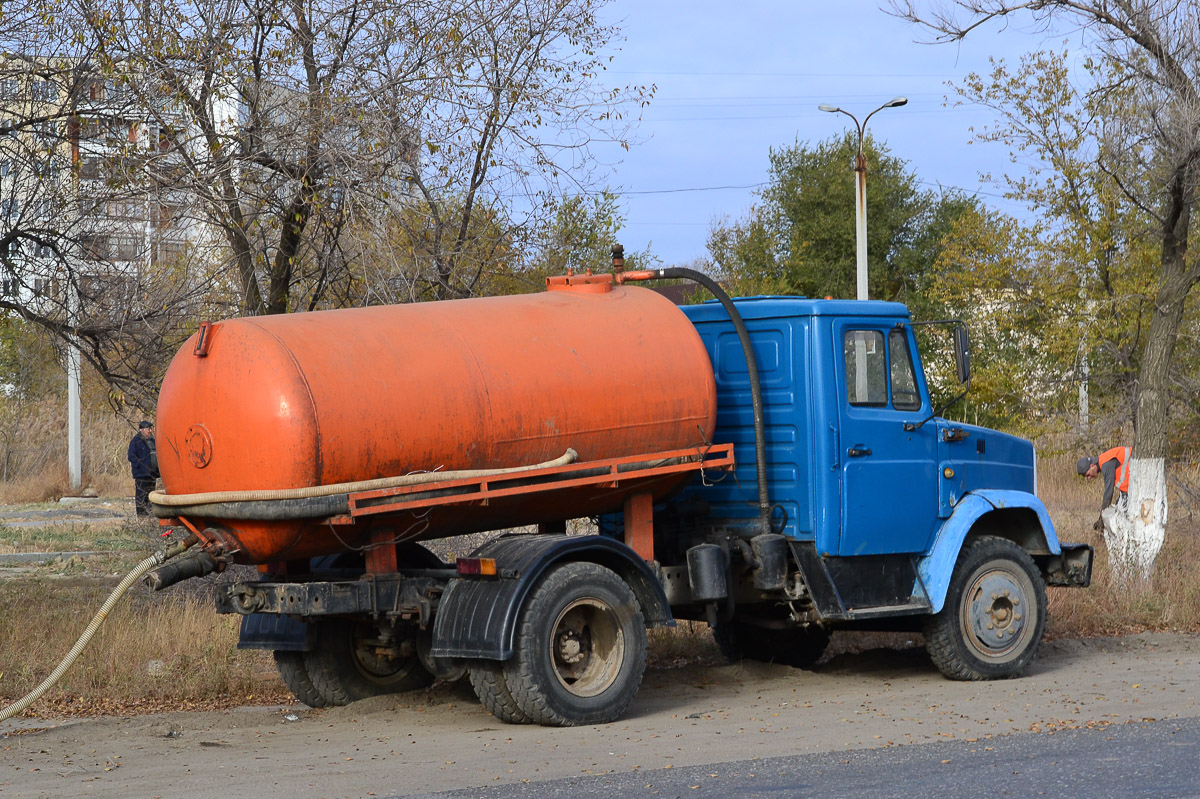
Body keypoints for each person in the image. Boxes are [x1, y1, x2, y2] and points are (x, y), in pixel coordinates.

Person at [1076, 446, 1130, 529]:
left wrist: (1101, 519)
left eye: (1088, 474)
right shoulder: (1104, 460)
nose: (1089, 477)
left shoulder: (1106, 464)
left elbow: (1108, 494)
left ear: (1092, 466)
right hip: (1129, 489)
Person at [128, 420, 159, 517]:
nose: (150, 431)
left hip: (152, 474)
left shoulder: (153, 441)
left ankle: (150, 515)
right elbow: (131, 456)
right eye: (148, 429)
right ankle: (141, 517)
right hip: (141, 474)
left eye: (151, 428)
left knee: (151, 496)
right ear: (142, 430)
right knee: (141, 496)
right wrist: (140, 465)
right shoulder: (136, 441)